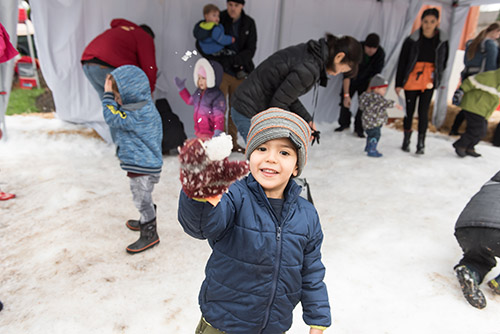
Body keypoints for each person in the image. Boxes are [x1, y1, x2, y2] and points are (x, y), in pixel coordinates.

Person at [178, 108, 331, 334]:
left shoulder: (307, 215)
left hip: (272, 328)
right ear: (250, 156)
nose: (271, 158)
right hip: (223, 325)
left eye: (284, 153)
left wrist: (318, 319)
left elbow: (311, 272)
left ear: (297, 166)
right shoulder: (234, 196)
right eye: (262, 148)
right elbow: (202, 226)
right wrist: (201, 194)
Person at [230, 33, 363, 142]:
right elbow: (278, 105)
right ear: (339, 57)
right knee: (263, 162)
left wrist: (307, 120)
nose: (338, 73)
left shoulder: (312, 54)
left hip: (249, 103)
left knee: (266, 162)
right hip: (248, 109)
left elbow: (287, 96)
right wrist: (298, 131)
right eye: (342, 69)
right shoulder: (309, 68)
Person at [102, 65, 163, 254]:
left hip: (143, 166)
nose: (117, 101)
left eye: (118, 97)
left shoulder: (137, 113)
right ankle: (146, 217)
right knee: (143, 196)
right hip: (144, 164)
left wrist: (107, 97)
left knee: (141, 198)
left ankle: (150, 232)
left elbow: (111, 117)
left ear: (131, 93)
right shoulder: (142, 106)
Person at [196, 0, 257, 153]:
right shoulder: (218, 17)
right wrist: (214, 60)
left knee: (236, 110)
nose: (232, 8)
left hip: (240, 72)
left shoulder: (249, 23)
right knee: (218, 109)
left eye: (236, 5)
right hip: (220, 71)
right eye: (230, 4)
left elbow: (251, 49)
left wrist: (234, 61)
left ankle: (233, 144)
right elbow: (200, 37)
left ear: (242, 6)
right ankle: (218, 145)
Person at [81, 19, 157, 142]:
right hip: (107, 67)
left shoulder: (121, 31)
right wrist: (149, 89)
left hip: (88, 65)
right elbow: (149, 66)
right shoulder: (143, 36)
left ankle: (120, 147)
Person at [395, 8, 449, 154]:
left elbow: (443, 63)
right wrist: (399, 83)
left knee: (423, 112)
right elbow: (402, 62)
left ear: (437, 22)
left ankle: (421, 143)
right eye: (425, 21)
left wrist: (438, 79)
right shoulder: (412, 40)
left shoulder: (442, 41)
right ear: (421, 22)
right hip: (412, 78)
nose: (428, 25)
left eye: (432, 21)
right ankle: (406, 140)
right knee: (409, 111)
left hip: (429, 80)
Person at [453, 170, 500, 309]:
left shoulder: (494, 180)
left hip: (465, 229)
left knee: (478, 258)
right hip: (497, 232)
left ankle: (470, 270)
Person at [450, 23, 500, 136]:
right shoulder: (490, 44)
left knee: (466, 105)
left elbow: (466, 61)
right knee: (474, 107)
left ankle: (454, 128)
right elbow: (491, 67)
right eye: (499, 32)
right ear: (495, 31)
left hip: (468, 75)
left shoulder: (472, 42)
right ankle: (470, 133)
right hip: (480, 78)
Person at [335, 33, 385, 138]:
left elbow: (375, 76)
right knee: (344, 101)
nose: (371, 50)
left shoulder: (380, 54)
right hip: (352, 78)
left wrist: (368, 91)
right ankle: (344, 124)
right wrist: (346, 95)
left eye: (373, 48)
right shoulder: (356, 50)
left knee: (363, 104)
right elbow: (346, 75)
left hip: (367, 81)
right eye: (368, 47)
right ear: (364, 45)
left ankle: (359, 129)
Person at [452, 68, 500, 158]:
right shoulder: (490, 76)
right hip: (473, 106)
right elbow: (470, 81)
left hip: (483, 110)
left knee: (482, 132)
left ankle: (470, 147)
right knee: (476, 130)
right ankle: (461, 145)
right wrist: (461, 91)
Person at [174, 58, 225, 139]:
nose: (200, 81)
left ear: (211, 78)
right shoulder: (199, 92)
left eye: (203, 78)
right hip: (200, 131)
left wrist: (218, 130)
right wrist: (182, 88)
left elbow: (219, 116)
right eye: (199, 78)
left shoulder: (216, 95)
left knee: (206, 151)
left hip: (211, 133)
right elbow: (190, 101)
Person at [359, 74, 402, 157]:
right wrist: (395, 104)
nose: (385, 91)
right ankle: (372, 150)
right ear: (376, 88)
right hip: (374, 123)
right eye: (384, 89)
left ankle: (368, 147)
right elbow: (386, 103)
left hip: (366, 123)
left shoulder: (365, 96)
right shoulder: (378, 98)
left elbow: (361, 106)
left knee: (370, 135)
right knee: (375, 135)